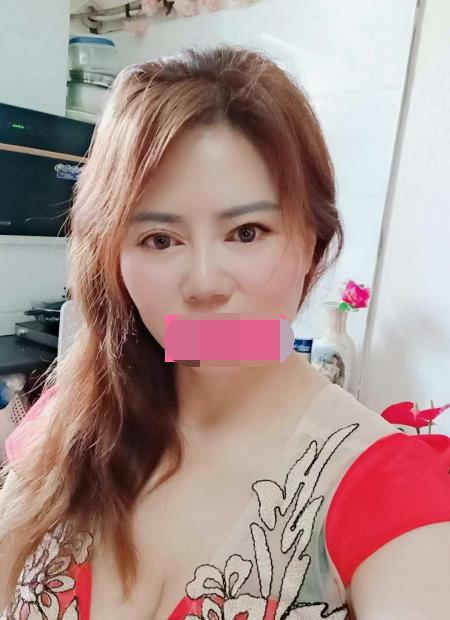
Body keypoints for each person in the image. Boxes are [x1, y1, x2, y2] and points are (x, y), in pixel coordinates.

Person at [0, 44, 449, 620]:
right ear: (114, 257)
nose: (205, 284)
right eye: (160, 240)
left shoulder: (387, 491)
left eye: (246, 232)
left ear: (311, 241)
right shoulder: (70, 421)